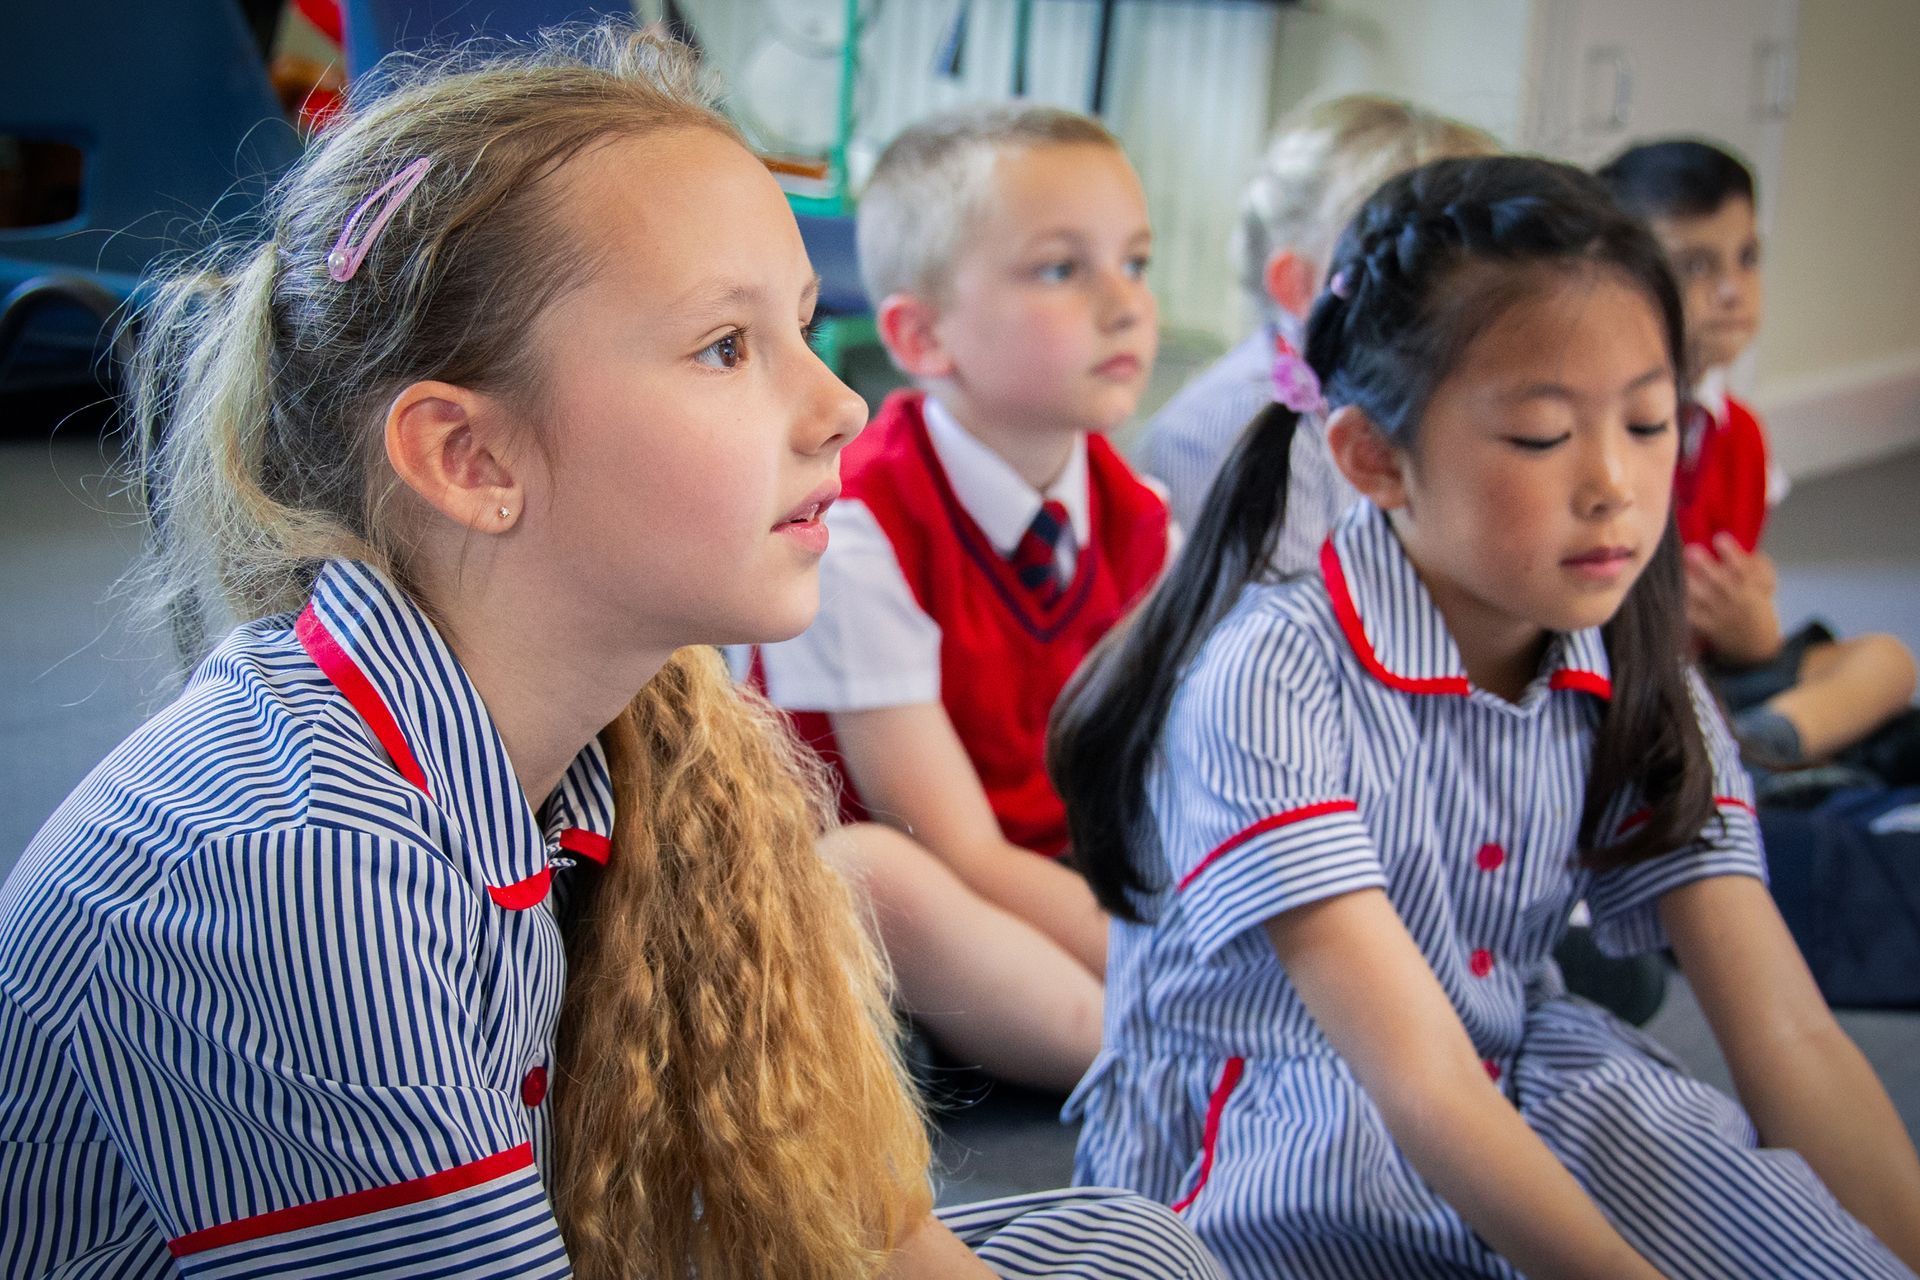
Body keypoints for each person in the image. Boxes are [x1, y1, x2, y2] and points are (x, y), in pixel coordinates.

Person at [0, 29, 1222, 1280]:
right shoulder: (292, 874)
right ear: (470, 459)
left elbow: (880, 1237)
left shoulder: (617, 745)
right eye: (726, 348)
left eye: (802, 326)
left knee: (1129, 1241)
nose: (841, 406)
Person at [1050, 154, 1920, 1278]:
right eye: (1543, 437)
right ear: (1373, 458)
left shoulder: (1643, 678)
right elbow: (1417, 1082)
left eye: (1649, 422)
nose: (1613, 482)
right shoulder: (1270, 677)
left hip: (1511, 1068)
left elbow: (1791, 1035)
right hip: (1282, 1124)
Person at [753, 104, 1168, 1092]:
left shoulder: (1140, 514)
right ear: (924, 335)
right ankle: (1151, 1058)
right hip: (900, 892)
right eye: (1062, 268)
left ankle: (1156, 1020)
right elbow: (956, 849)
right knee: (875, 875)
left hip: (1052, 872)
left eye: (1137, 263)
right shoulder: (861, 525)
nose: (1126, 304)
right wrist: (1176, 965)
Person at [1599, 139, 1917, 783]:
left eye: (1746, 260)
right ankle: (1729, 767)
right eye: (1693, 266)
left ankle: (1747, 757)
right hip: (1619, 677)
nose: (1730, 290)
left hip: (1708, 676)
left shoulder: (1740, 435)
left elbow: (1729, 607)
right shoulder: (1604, 426)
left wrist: (1755, 635)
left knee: (1887, 660)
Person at [1140, 94, 1495, 553]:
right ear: (1299, 285)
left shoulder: (1425, 396)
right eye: (1413, 261)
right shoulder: (1220, 439)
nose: (1465, 291)